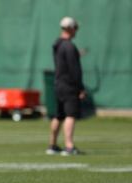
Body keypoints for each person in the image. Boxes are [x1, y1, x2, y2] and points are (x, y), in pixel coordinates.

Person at [46, 17, 86, 156]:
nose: (76, 31)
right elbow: (74, 69)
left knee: (58, 115)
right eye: (75, 28)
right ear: (70, 28)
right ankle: (69, 146)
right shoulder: (69, 46)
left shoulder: (58, 44)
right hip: (69, 85)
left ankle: (52, 145)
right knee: (70, 115)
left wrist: (76, 54)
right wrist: (80, 87)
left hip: (58, 84)